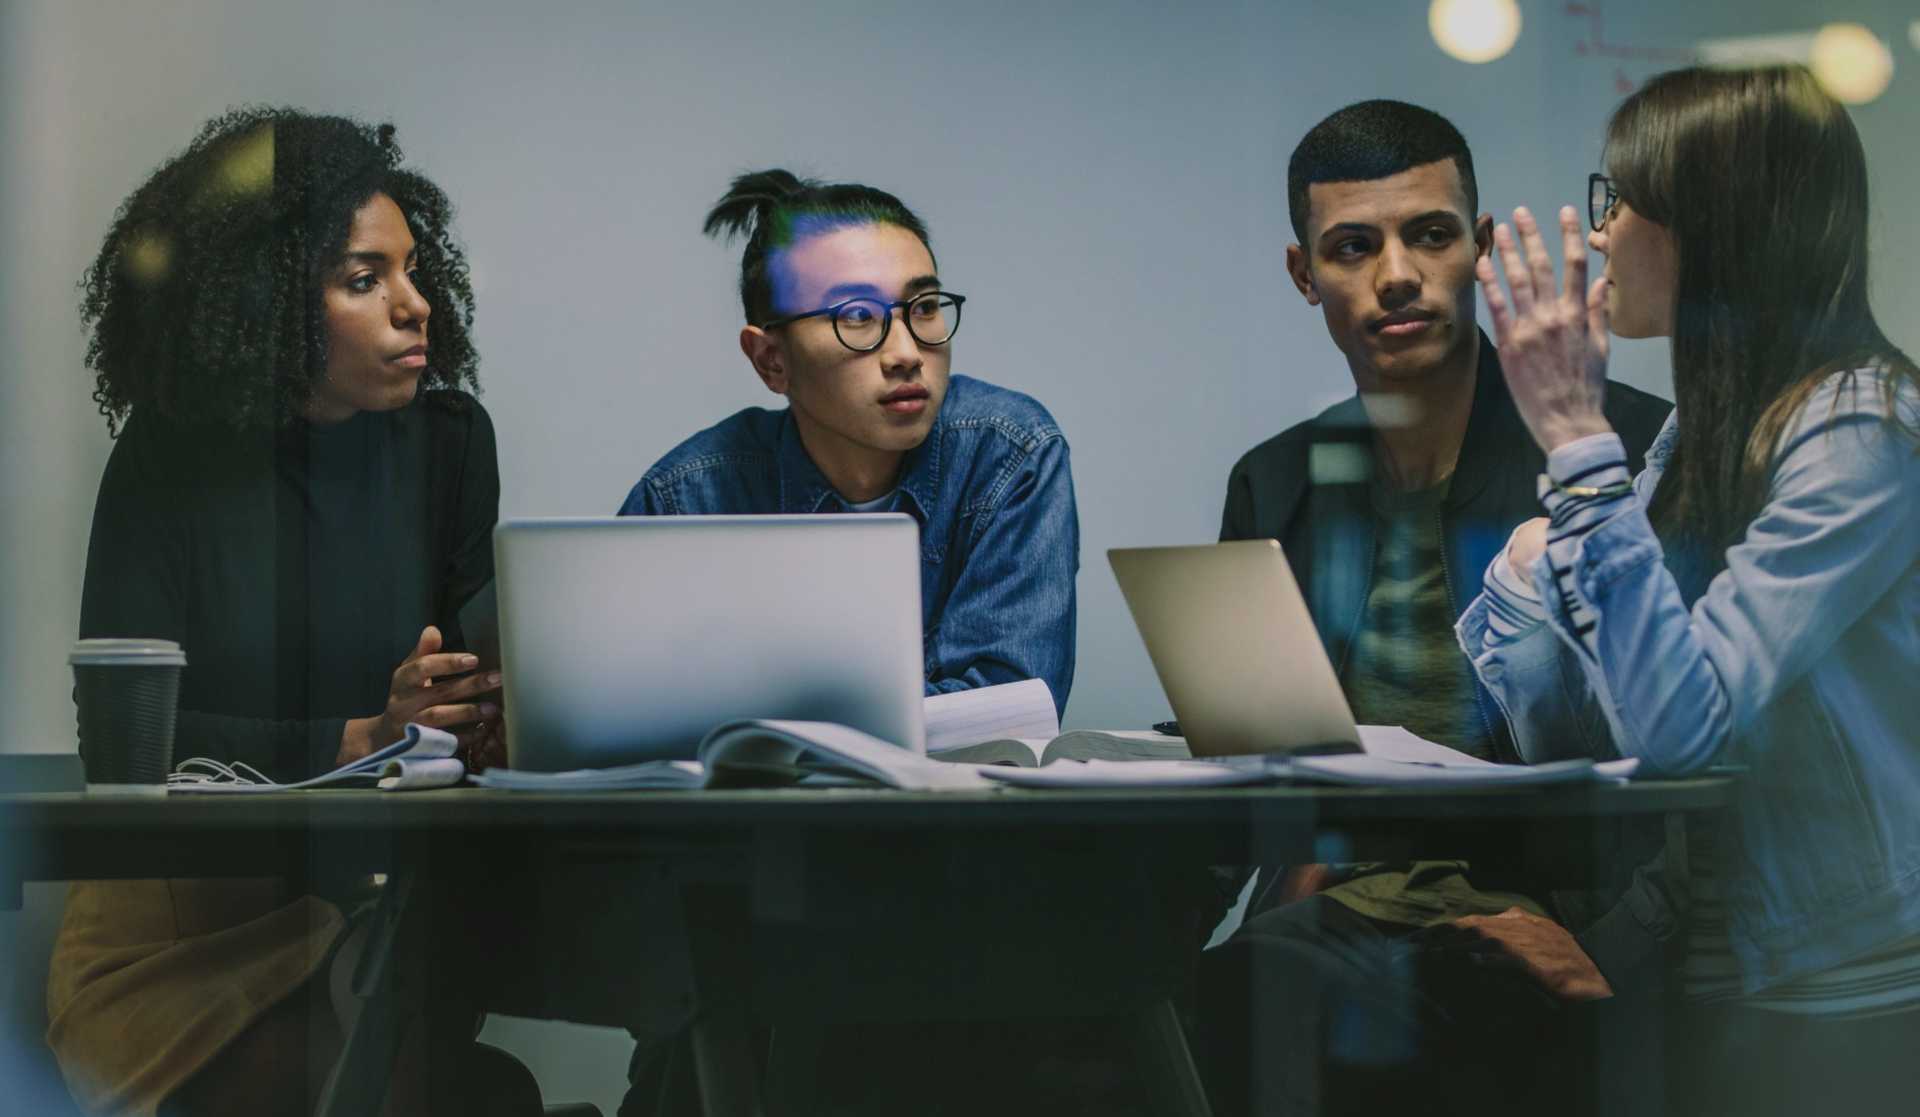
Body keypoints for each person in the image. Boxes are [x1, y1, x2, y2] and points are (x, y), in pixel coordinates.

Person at [47, 108, 537, 1117]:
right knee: (423, 1086)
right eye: (365, 279)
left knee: (480, 1088)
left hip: (370, 901)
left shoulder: (452, 444)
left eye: (413, 269)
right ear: (266, 302)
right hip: (179, 932)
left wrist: (459, 707)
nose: (418, 307)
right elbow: (126, 745)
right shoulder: (169, 456)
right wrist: (358, 733)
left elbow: (457, 709)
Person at [1198, 100, 1677, 1115]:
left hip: (1553, 916)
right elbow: (1251, 769)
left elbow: (1713, 750)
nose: (1398, 274)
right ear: (1303, 274)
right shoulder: (1275, 481)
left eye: (1430, 234)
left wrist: (1613, 946)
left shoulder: (1618, 449)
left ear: (1484, 247)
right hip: (1325, 927)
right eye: (1352, 247)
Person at [1460, 64, 1920, 1117]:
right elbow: (1581, 741)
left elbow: (1676, 729)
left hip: (1848, 990)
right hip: (1723, 964)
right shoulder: (1698, 431)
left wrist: (1577, 442)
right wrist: (1531, 570)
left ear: (1714, 227)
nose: (1603, 230)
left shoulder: (1862, 428)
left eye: (1623, 200)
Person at [618, 170, 1078, 715]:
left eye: (925, 307)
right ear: (772, 360)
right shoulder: (685, 500)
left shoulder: (1009, 456)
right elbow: (625, 712)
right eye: (857, 316)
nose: (907, 351)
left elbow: (1007, 713)